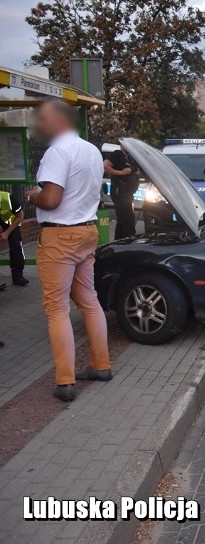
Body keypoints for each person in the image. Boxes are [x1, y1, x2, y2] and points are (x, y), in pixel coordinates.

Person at [25, 100, 111, 402]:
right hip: (87, 232)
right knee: (89, 300)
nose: (40, 124)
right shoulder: (91, 150)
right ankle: (101, 365)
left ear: (60, 120)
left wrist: (33, 195)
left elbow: (51, 199)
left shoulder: (57, 152)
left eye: (44, 118)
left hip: (60, 236)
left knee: (57, 308)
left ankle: (65, 381)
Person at [103, 142, 139, 239]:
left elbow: (136, 171)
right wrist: (121, 172)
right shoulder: (117, 154)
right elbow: (105, 167)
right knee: (128, 219)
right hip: (120, 191)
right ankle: (129, 240)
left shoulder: (131, 157)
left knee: (123, 220)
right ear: (121, 145)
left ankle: (119, 240)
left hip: (129, 192)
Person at [0, 190, 28, 286]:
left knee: (15, 245)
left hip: (12, 222)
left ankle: (18, 277)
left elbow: (20, 216)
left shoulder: (7, 198)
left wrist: (6, 233)